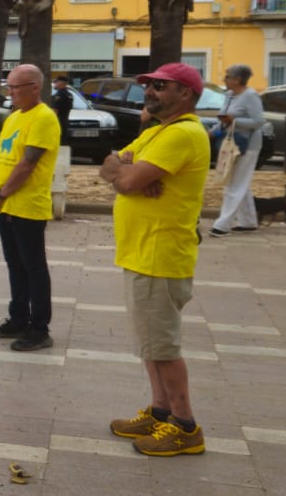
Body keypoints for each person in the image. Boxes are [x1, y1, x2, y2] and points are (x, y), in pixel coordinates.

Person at [99, 63, 210, 457]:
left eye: (161, 86)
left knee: (162, 345)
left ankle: (185, 425)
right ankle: (161, 411)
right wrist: (124, 171)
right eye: (149, 85)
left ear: (186, 94)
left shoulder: (183, 133)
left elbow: (125, 180)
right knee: (150, 342)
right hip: (141, 251)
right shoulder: (156, 132)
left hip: (160, 253)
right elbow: (109, 165)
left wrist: (126, 175)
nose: (150, 91)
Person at [0, 64, 60, 352]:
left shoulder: (44, 118)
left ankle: (39, 328)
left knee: (34, 268)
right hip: (6, 205)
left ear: (35, 88)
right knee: (15, 265)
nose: (10, 92)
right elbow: (0, 155)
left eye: (16, 87)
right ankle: (18, 318)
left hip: (27, 206)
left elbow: (27, 164)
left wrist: (1, 194)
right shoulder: (14, 117)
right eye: (9, 86)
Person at [210, 64, 264, 237]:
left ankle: (222, 224)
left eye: (227, 76)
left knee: (235, 184)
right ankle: (248, 222)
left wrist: (234, 120)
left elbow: (258, 121)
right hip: (231, 143)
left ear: (238, 80)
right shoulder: (230, 95)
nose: (224, 79)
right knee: (240, 182)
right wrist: (211, 133)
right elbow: (224, 118)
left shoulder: (251, 96)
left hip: (248, 145)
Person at [53, 76, 75, 146]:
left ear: (62, 83)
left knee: (58, 142)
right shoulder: (70, 95)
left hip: (58, 122)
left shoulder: (59, 95)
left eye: (56, 82)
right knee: (63, 142)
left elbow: (55, 111)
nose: (55, 84)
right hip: (65, 121)